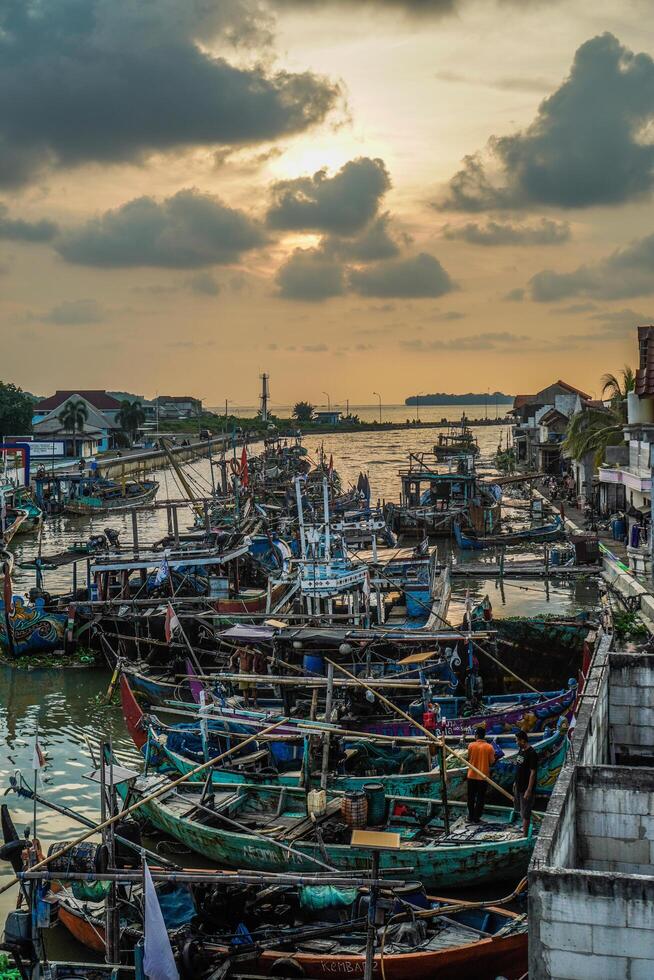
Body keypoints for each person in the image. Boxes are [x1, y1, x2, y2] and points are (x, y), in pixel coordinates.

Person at [466, 725, 495, 823]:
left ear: (476, 735)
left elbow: (468, 758)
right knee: (480, 798)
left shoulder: (471, 745)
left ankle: (470, 816)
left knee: (471, 797)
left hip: (471, 775)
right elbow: (492, 762)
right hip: (482, 776)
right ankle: (476, 818)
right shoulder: (489, 747)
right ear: (484, 736)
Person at [512, 729, 538, 834]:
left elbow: (533, 773)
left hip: (526, 788)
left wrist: (529, 789)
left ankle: (524, 835)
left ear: (523, 741)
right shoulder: (521, 751)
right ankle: (522, 829)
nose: (516, 742)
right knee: (520, 809)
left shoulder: (532, 753)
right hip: (518, 785)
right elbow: (519, 767)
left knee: (526, 812)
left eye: (517, 740)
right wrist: (515, 782)